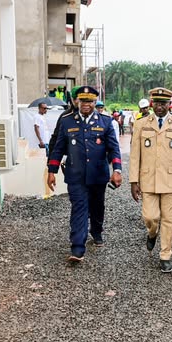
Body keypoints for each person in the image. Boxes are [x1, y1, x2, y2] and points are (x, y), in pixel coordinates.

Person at [47, 86, 122, 262]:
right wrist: (52, 171)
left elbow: (113, 148)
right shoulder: (67, 121)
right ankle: (77, 248)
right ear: (77, 102)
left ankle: (96, 231)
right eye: (83, 101)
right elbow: (58, 148)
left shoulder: (105, 121)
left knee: (97, 206)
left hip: (98, 175)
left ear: (95, 102)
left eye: (89, 101)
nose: (86, 104)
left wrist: (117, 170)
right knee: (79, 208)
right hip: (76, 175)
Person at [130, 88, 172, 272]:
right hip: (148, 179)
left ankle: (165, 255)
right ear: (151, 103)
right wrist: (133, 181)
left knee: (170, 220)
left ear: (170, 105)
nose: (160, 107)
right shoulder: (141, 124)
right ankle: (152, 233)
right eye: (157, 103)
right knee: (150, 216)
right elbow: (134, 155)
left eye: (164, 103)